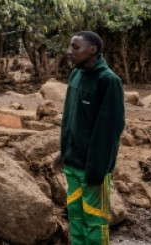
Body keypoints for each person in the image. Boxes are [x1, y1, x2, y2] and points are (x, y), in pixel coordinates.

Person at [51, 31, 125, 245]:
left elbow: (110, 130)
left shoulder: (108, 81)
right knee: (75, 216)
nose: (70, 51)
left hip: (93, 168)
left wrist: (97, 169)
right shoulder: (76, 74)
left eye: (76, 47)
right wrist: (64, 152)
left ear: (92, 50)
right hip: (72, 164)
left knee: (95, 221)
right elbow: (70, 119)